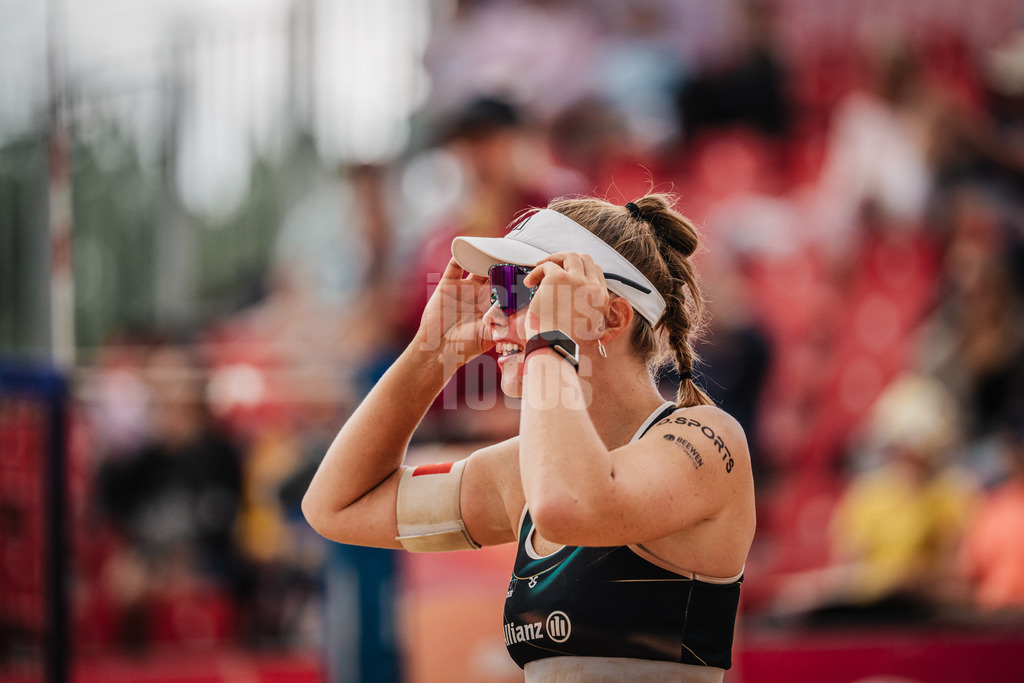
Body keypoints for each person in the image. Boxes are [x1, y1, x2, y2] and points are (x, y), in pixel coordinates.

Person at [302, 194, 756, 681]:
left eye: (522, 289)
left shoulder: (707, 440)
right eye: (497, 291)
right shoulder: (523, 473)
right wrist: (429, 353)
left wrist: (549, 339)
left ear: (611, 317)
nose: (496, 314)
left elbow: (568, 505)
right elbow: (336, 508)